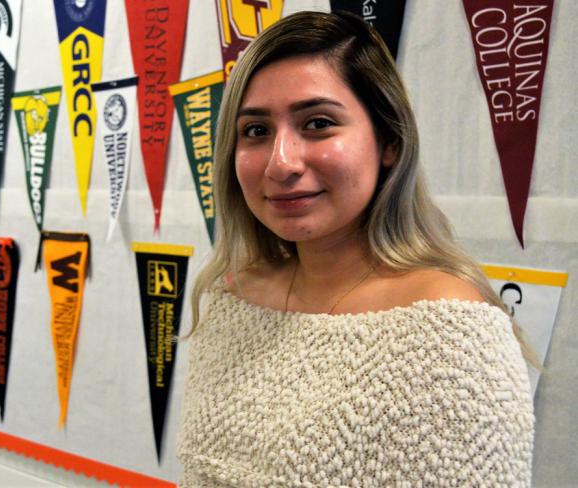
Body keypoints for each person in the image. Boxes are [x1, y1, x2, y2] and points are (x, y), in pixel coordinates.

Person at [177, 10, 534, 487]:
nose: (281, 163)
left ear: (389, 140)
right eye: (257, 131)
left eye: (318, 123)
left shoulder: (449, 331)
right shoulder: (232, 297)